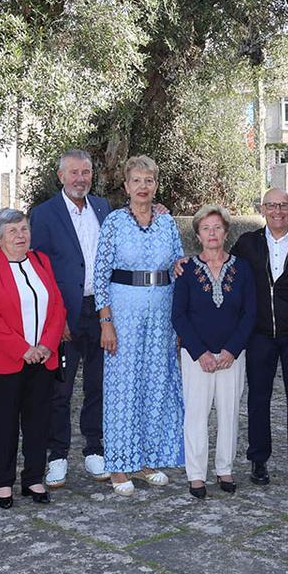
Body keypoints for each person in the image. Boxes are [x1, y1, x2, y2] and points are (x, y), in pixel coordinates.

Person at [93, 155, 185, 496]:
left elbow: (178, 267)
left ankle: (147, 461)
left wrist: (179, 325)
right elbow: (100, 275)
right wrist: (106, 322)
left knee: (155, 386)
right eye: (136, 181)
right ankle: (119, 465)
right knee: (123, 389)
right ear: (126, 186)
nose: (143, 187)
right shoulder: (114, 223)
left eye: (149, 181)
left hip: (161, 315)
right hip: (124, 313)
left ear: (156, 185)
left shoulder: (167, 223)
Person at [29, 150, 112, 487]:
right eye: (74, 172)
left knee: (98, 385)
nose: (81, 178)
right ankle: (58, 455)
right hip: (65, 314)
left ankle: (94, 449)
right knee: (59, 389)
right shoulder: (44, 214)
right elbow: (40, 269)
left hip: (101, 312)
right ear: (60, 176)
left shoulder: (104, 209)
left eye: (86, 172)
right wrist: (56, 318)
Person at [232, 188, 288, 485]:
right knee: (258, 398)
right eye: (271, 206)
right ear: (262, 209)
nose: (277, 211)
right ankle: (258, 460)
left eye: (283, 206)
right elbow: (228, 276)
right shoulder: (247, 244)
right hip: (259, 334)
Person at [0, 208, 65, 508]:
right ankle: (2, 482)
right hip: (5, 360)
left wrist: (46, 346)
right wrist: (23, 349)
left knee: (39, 422)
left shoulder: (41, 261)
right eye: (12, 231)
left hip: (43, 359)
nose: (20, 236)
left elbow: (57, 308)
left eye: (24, 229)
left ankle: (34, 478)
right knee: (4, 424)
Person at [172, 205, 256, 499]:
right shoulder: (186, 270)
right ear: (197, 234)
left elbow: (250, 313)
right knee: (196, 414)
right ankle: (196, 474)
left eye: (217, 227)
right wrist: (200, 353)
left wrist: (232, 350)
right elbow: (178, 316)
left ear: (226, 232)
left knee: (229, 412)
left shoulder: (242, 268)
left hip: (232, 355)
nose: (212, 233)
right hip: (198, 356)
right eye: (206, 228)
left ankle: (224, 468)